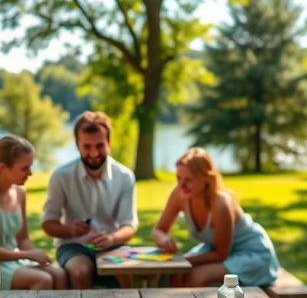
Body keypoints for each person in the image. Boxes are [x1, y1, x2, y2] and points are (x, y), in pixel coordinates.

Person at [152, 147, 279, 287]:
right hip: (215, 250)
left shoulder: (220, 203)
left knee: (196, 276)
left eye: (188, 180)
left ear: (206, 178)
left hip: (251, 254)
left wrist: (183, 260)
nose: (181, 184)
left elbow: (221, 254)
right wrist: (163, 238)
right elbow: (159, 229)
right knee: (176, 274)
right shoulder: (179, 195)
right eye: (178, 178)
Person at [42, 110, 138, 288]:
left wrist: (112, 238)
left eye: (100, 145)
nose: (94, 153)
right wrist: (70, 230)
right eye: (87, 146)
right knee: (81, 271)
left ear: (109, 142)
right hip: (72, 246)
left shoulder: (124, 176)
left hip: (113, 246)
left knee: (126, 271)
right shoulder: (61, 176)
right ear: (77, 145)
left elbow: (130, 226)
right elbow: (48, 224)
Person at [0, 135, 67, 290]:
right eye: (24, 168)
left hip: (12, 259)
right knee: (43, 280)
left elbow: (22, 238)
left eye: (31, 166)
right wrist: (28, 255)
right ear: (3, 167)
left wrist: (37, 255)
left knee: (59, 274)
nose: (30, 173)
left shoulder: (20, 192)